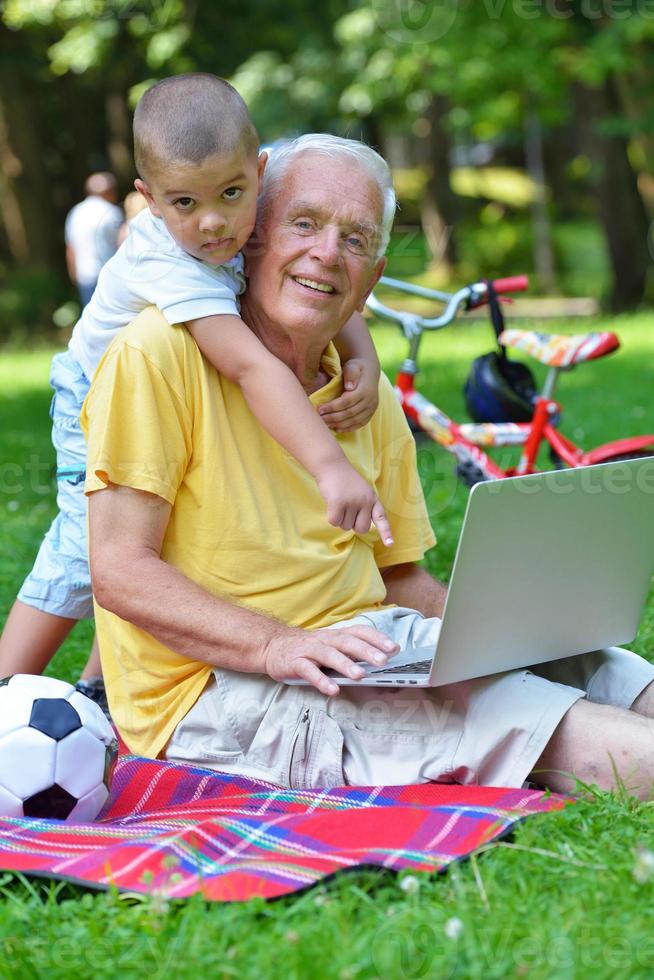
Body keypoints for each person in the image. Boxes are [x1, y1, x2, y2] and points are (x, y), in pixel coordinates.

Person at [82, 134, 654, 799]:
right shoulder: (158, 354)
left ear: (371, 281)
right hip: (218, 689)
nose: (327, 253)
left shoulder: (365, 393)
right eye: (304, 223)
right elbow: (119, 569)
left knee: (603, 668)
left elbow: (397, 576)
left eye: (354, 240)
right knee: (522, 719)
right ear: (252, 237)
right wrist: (276, 646)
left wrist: (499, 634)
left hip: (368, 644)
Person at [0, 75, 388, 704]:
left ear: (258, 173)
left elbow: (332, 297)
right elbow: (249, 367)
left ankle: (101, 683)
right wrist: (330, 467)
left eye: (231, 194)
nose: (213, 224)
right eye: (184, 204)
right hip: (93, 392)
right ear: (148, 199)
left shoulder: (248, 215)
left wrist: (361, 357)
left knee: (171, 524)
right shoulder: (172, 263)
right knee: (89, 543)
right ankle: (8, 686)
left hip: (167, 389)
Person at [65, 172, 123, 307]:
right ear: (109, 191)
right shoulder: (111, 211)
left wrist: (74, 274)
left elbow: (71, 248)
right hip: (110, 276)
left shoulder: (75, 212)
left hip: (84, 275)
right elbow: (122, 244)